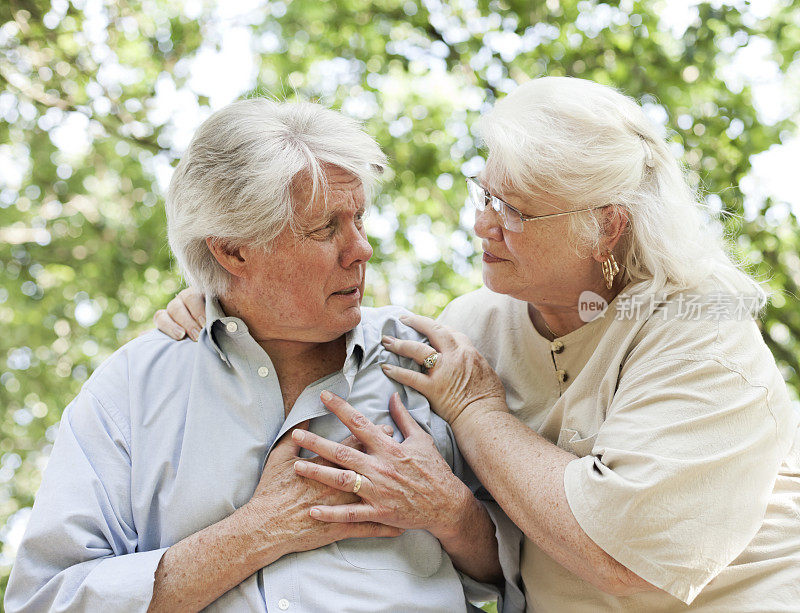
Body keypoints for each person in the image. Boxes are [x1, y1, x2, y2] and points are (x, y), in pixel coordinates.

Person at [158, 77, 800, 611]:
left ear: (604, 226)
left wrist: (477, 410)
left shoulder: (698, 326)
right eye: (486, 194)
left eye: (515, 211)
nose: (482, 224)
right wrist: (220, 301)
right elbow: (327, 333)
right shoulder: (475, 322)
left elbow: (630, 559)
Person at [5, 99, 505, 613]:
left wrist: (451, 512)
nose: (361, 249)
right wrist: (257, 531)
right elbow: (46, 602)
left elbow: (541, 573)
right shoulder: (131, 389)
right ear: (233, 251)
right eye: (324, 228)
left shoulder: (432, 364)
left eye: (358, 218)